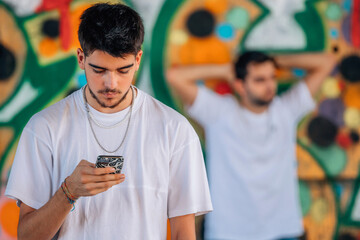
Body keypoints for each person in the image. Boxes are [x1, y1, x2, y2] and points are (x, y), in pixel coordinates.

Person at [5, 3, 212, 240]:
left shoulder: (175, 129)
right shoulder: (44, 127)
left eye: (123, 70)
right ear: (81, 58)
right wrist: (68, 192)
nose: (110, 84)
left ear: (137, 60)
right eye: (99, 70)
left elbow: (183, 233)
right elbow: (27, 237)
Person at [166, 51, 336, 240]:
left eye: (272, 77)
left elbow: (327, 61)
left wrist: (276, 61)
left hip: (282, 230)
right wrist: (226, 70)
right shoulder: (220, 113)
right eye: (259, 79)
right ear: (240, 85)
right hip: (228, 232)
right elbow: (175, 76)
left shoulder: (286, 110)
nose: (270, 85)